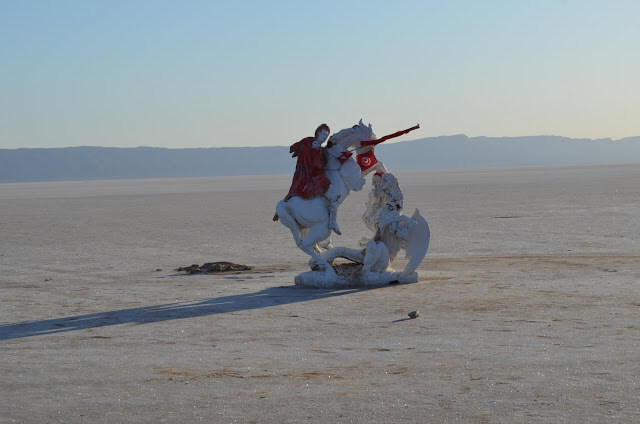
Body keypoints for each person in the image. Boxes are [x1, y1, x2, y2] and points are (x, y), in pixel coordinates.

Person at [285, 124, 331, 201]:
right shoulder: (310, 143)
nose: (325, 137)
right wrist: (316, 150)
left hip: (315, 172)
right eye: (323, 134)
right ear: (318, 133)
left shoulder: (318, 146)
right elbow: (310, 160)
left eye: (327, 135)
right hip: (307, 173)